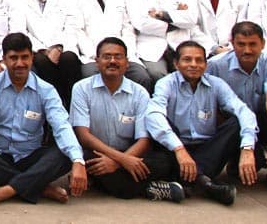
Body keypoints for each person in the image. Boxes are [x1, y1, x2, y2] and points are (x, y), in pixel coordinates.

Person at [0, 32, 86, 208]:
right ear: (4, 59)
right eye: (14, 58)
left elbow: (61, 125)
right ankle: (40, 187)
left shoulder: (46, 90)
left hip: (29, 156)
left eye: (25, 57)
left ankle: (7, 190)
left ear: (32, 58)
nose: (20, 63)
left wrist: (78, 161)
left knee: (65, 155)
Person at [69, 37, 183, 202]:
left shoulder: (140, 93)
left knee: (164, 161)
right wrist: (122, 160)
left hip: (130, 152)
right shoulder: (81, 88)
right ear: (97, 62)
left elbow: (144, 139)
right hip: (96, 152)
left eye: (118, 57)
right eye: (107, 57)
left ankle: (105, 181)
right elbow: (83, 135)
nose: (112, 61)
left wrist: (119, 161)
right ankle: (148, 188)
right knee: (97, 166)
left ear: (127, 62)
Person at [145, 41, 259, 205]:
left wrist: (247, 148)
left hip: (208, 152)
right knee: (161, 122)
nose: (194, 65)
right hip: (175, 149)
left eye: (199, 60)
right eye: (187, 60)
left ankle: (188, 181)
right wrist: (179, 149)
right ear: (176, 64)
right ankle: (205, 184)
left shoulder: (216, 84)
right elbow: (154, 115)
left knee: (236, 123)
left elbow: (243, 111)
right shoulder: (166, 83)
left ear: (206, 64)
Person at [206, 22, 267, 191]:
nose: (247, 50)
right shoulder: (215, 65)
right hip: (233, 124)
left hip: (263, 120)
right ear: (232, 44)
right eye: (241, 44)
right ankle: (236, 156)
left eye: (253, 44)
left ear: (263, 44)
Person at [70, 0, 150, 86]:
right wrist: (99, 56)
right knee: (90, 78)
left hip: (122, 55)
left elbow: (127, 28)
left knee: (141, 77)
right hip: (93, 57)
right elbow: (77, 31)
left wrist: (124, 54)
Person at [15, 0, 81, 105]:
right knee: (41, 61)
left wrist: (58, 47)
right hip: (36, 49)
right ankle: (52, 106)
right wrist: (44, 50)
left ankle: (72, 107)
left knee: (69, 59)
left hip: (62, 47)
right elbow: (21, 30)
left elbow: (72, 26)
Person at [125, 0, 199, 83]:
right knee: (158, 75)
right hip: (151, 47)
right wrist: (177, 20)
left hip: (179, 44)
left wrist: (162, 15)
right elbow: (142, 24)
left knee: (190, 74)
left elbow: (191, 19)